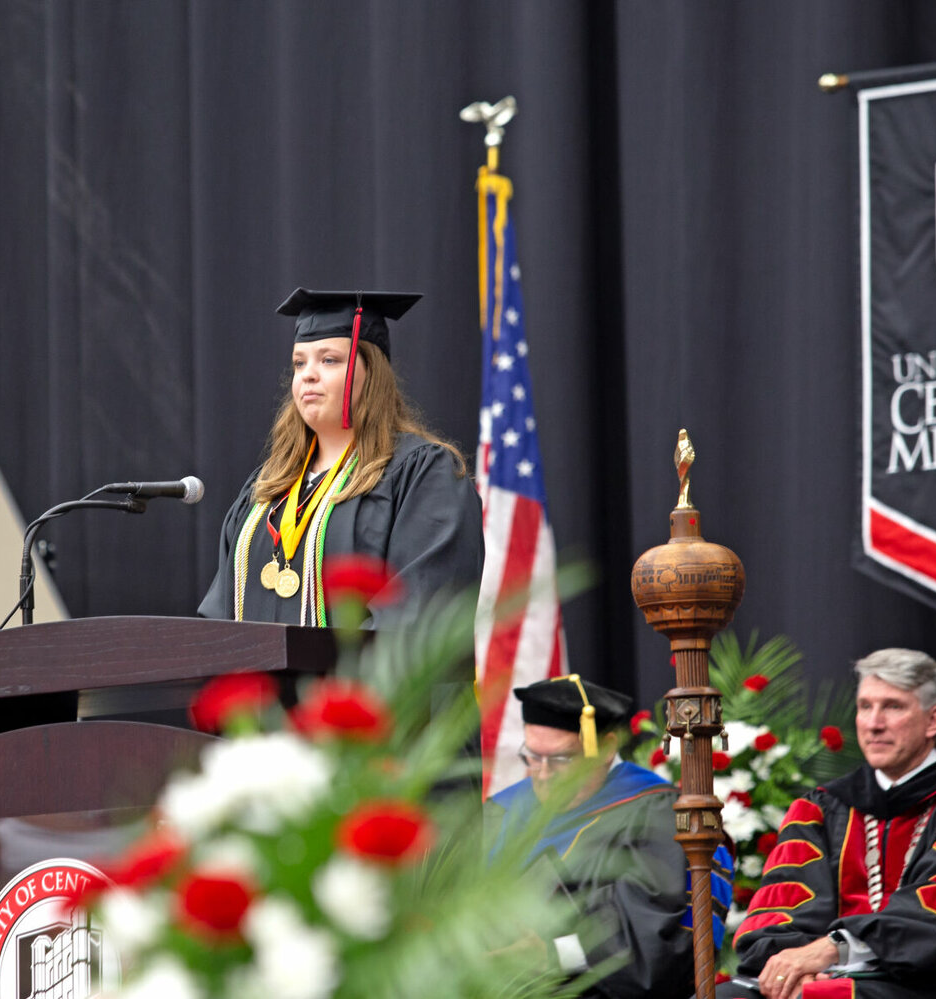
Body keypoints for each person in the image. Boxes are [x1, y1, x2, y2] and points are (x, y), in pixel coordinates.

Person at [718, 648, 936, 999]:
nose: (873, 722)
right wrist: (796, 968)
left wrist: (834, 949)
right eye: (865, 706)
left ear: (933, 720)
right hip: (819, 980)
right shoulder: (822, 808)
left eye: (893, 706)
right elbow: (780, 909)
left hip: (926, 986)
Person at [198, 288, 484, 628]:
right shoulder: (265, 491)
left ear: (371, 372)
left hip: (360, 683)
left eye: (329, 360)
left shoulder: (421, 475)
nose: (308, 374)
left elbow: (422, 612)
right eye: (299, 363)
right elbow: (218, 618)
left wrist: (330, 681)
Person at [488, 675, 733, 999]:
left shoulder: (659, 819)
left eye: (561, 760)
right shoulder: (502, 811)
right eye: (532, 757)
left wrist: (551, 954)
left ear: (605, 748)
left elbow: (653, 949)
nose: (543, 774)